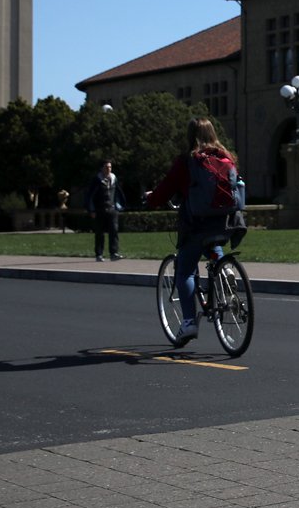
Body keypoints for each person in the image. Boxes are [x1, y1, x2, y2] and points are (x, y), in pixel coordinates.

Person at [146, 118, 240, 344]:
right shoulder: (226, 158)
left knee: (185, 269)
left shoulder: (188, 161)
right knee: (212, 242)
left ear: (190, 136)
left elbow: (165, 189)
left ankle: (188, 323)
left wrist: (151, 199)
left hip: (196, 224)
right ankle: (223, 266)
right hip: (226, 223)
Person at [86, 159, 125, 261]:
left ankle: (114, 253)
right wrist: (92, 210)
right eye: (107, 167)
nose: (109, 169)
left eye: (110, 167)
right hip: (100, 210)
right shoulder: (97, 180)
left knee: (114, 231)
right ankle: (99, 254)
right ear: (102, 168)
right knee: (100, 233)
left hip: (112, 209)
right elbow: (90, 196)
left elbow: (118, 193)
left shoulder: (113, 178)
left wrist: (119, 206)